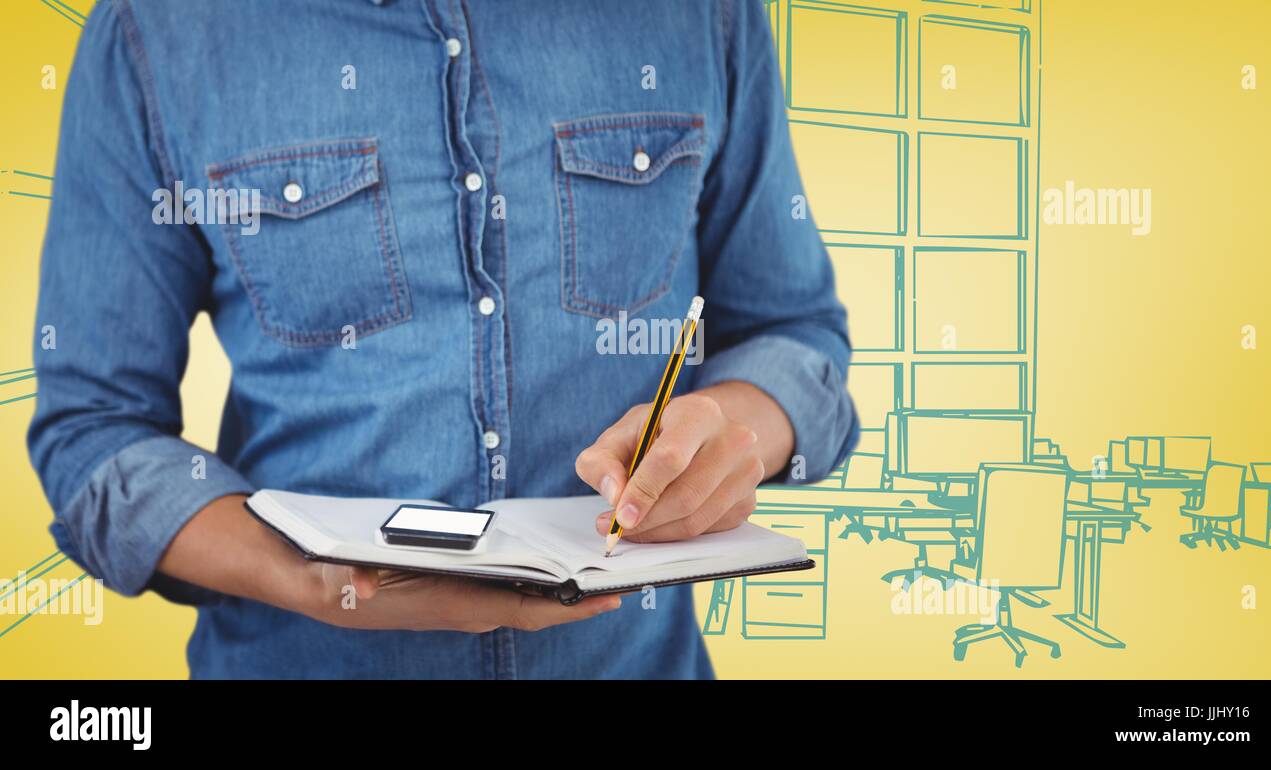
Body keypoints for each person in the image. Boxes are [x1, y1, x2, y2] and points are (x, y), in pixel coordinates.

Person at [28, 0, 857, 679]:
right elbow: (93, 428)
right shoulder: (158, 31)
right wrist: (306, 578)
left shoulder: (702, 14)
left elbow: (794, 333)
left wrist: (728, 429)